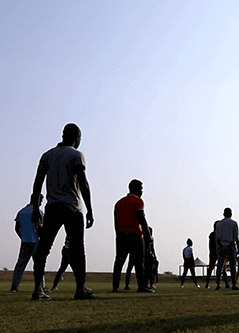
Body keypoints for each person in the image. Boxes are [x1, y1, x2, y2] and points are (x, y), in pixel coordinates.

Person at [30, 123, 96, 301]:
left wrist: (35, 207)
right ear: (77, 138)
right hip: (72, 207)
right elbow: (83, 182)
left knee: (43, 248)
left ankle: (38, 289)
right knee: (77, 249)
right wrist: (90, 209)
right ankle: (80, 290)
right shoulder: (76, 155)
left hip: (52, 207)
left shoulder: (47, 155)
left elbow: (37, 184)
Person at [112, 179, 153, 293]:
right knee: (139, 262)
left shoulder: (119, 203)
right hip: (135, 234)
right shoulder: (138, 201)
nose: (142, 191)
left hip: (121, 235)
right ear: (136, 189)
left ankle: (115, 287)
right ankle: (141, 286)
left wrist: (118, 234)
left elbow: (116, 221)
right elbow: (142, 218)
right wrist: (147, 234)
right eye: (141, 189)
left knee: (119, 262)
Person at [10, 202, 42, 293]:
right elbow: (42, 228)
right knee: (39, 265)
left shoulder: (21, 212)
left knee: (20, 264)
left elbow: (17, 228)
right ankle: (41, 286)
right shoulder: (39, 212)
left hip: (25, 242)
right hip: (35, 242)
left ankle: (14, 286)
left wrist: (22, 237)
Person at [213, 208, 239, 290]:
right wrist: (238, 249)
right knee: (233, 266)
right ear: (231, 214)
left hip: (221, 245)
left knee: (220, 266)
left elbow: (216, 237)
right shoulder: (234, 223)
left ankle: (218, 284)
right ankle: (234, 284)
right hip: (231, 245)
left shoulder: (218, 224)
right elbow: (236, 237)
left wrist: (218, 247)